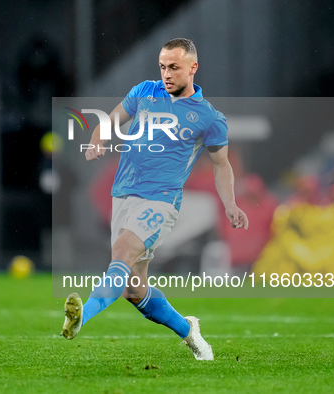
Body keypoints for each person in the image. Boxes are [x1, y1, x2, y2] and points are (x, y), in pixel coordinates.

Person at [60, 38, 249, 361]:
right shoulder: (144, 92)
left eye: (174, 67)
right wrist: (97, 140)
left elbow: (222, 166)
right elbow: (110, 120)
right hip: (123, 196)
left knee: (121, 252)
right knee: (135, 290)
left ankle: (81, 317)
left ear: (193, 67)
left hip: (160, 202)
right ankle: (190, 333)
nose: (166, 74)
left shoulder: (208, 118)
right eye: (162, 67)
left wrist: (230, 204)